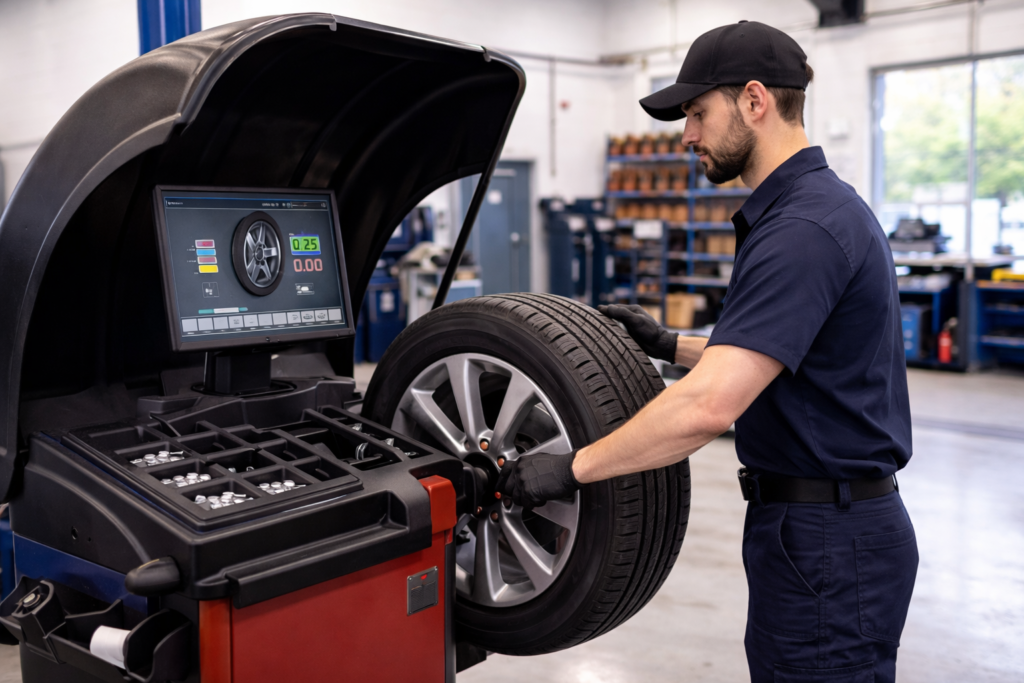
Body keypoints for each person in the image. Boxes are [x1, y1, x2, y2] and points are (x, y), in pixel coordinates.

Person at [497, 20, 918, 683]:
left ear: (755, 101)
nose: (686, 135)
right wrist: (671, 344)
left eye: (697, 112)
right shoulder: (814, 211)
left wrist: (572, 468)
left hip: (829, 541)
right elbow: (777, 355)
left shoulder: (800, 230)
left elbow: (710, 407)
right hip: (822, 528)